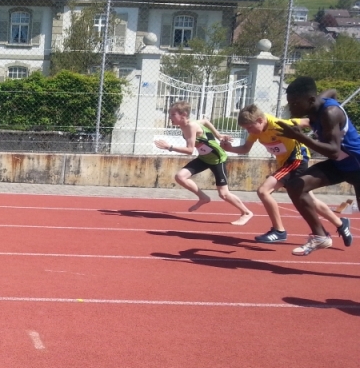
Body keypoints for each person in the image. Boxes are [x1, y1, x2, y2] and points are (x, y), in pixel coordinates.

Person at [221, 103, 351, 246]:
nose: (248, 131)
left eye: (249, 127)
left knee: (263, 191)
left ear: (260, 120)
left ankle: (279, 231)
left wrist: (332, 134)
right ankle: (341, 223)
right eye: (246, 128)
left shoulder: (280, 125)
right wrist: (230, 148)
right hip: (285, 163)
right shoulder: (255, 131)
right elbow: (245, 148)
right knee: (309, 200)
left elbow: (308, 121)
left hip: (297, 159)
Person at [276, 76, 360, 256]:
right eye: (290, 103)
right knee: (296, 186)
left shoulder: (330, 113)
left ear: (310, 100)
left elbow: (334, 151)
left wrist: (300, 137)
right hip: (339, 165)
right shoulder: (318, 103)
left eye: (295, 103)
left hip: (356, 165)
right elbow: (332, 92)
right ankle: (320, 236)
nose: (291, 107)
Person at [154, 100, 253, 225]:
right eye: (170, 114)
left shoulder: (191, 126)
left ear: (183, 115)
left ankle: (246, 212)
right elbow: (205, 121)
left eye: (173, 114)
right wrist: (218, 135)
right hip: (204, 158)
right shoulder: (185, 125)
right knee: (180, 177)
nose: (170, 117)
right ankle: (203, 197)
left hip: (217, 159)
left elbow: (190, 150)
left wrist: (169, 147)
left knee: (223, 194)